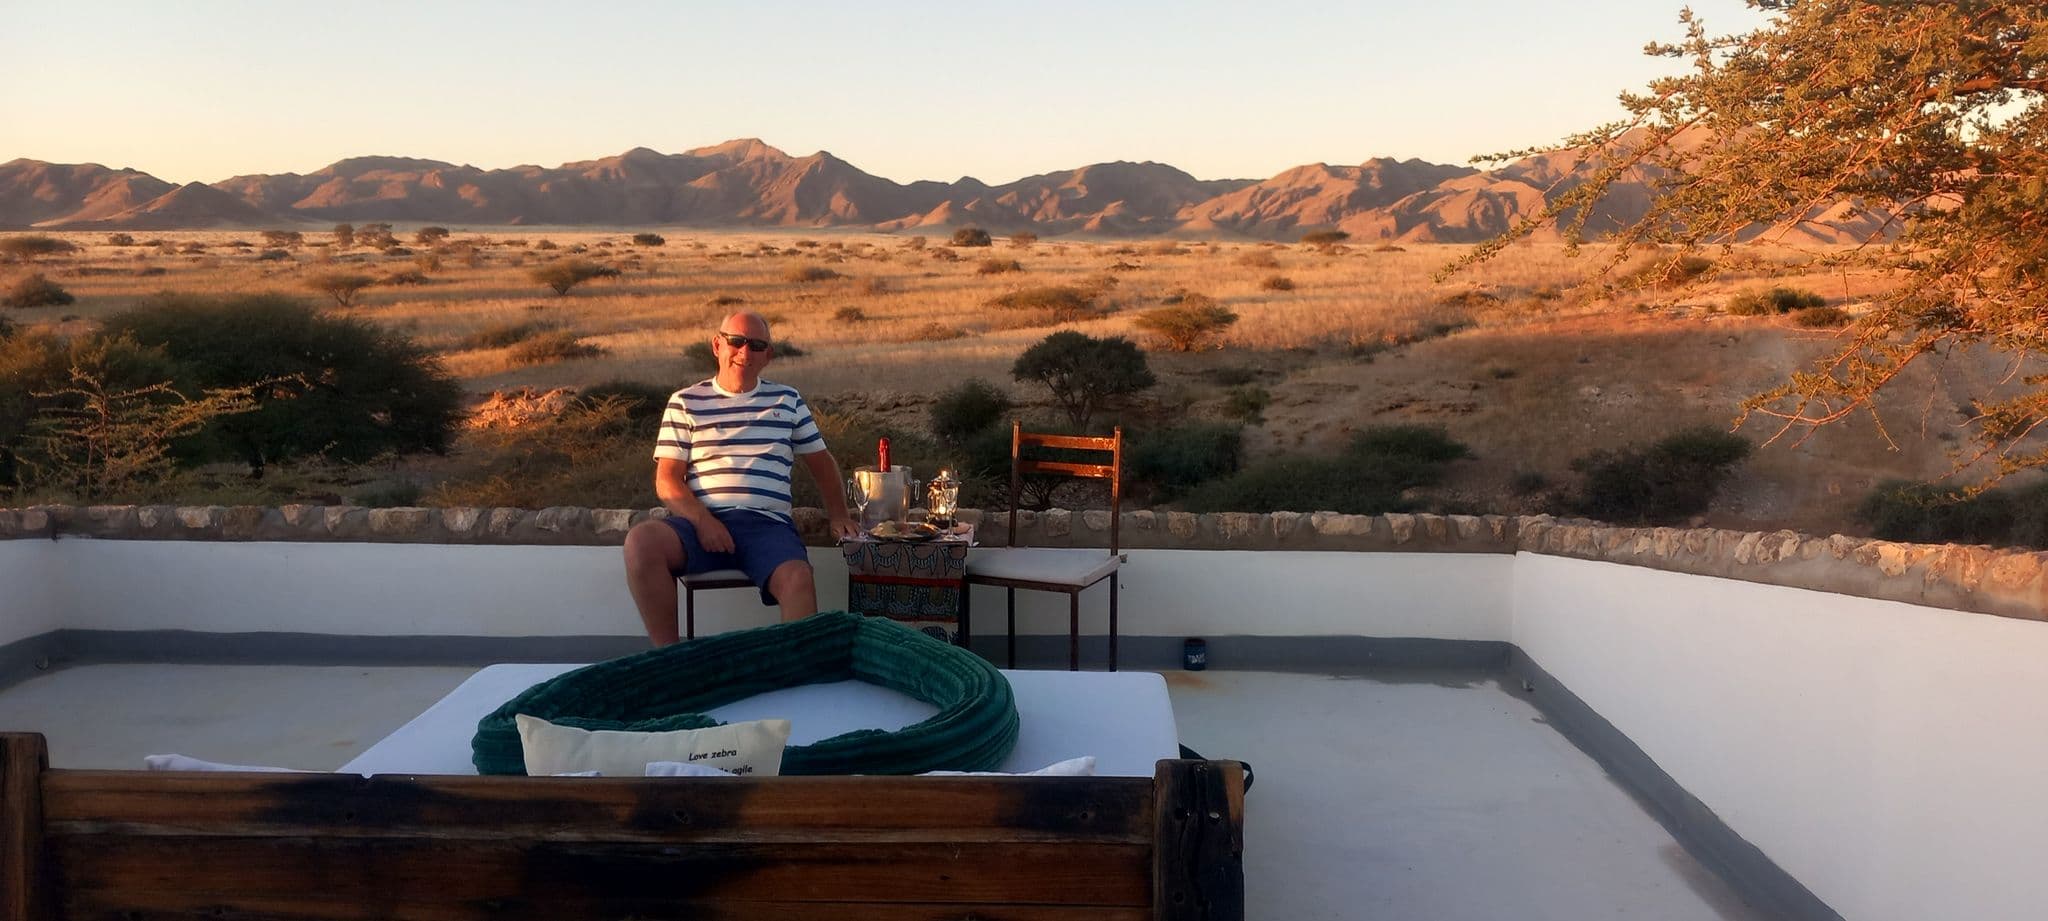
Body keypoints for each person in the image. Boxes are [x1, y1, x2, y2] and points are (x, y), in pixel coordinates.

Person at [621, 312, 861, 645]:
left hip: (767, 526)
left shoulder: (787, 400)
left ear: (769, 355)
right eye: (736, 342)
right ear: (717, 345)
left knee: (798, 578)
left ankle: (798, 673)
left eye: (757, 345)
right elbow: (667, 481)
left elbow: (821, 462)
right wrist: (703, 520)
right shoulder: (685, 402)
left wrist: (839, 515)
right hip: (698, 525)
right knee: (641, 543)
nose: (744, 353)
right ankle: (669, 662)